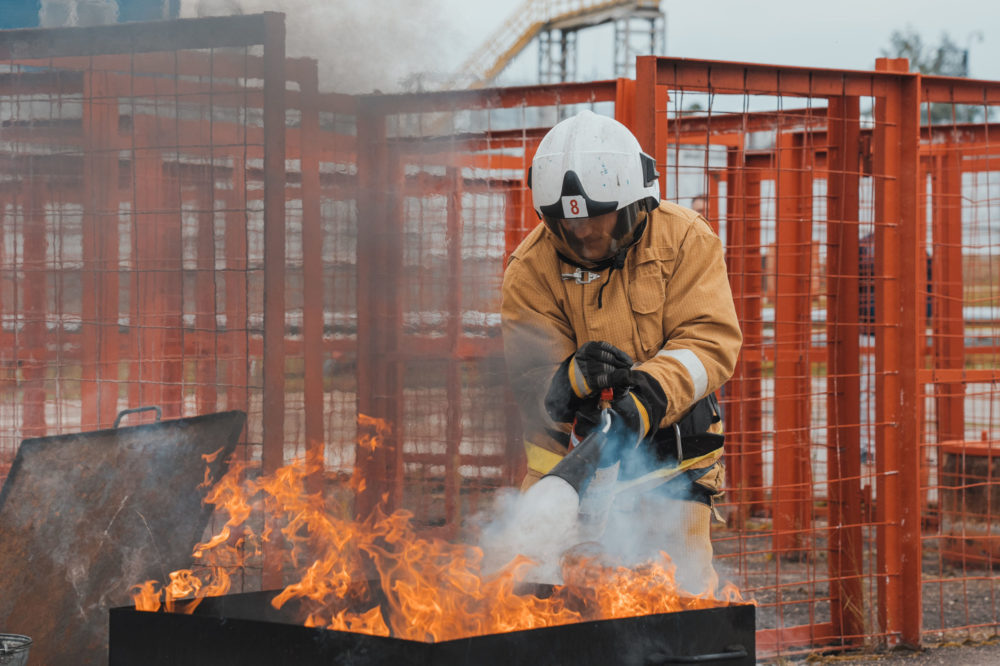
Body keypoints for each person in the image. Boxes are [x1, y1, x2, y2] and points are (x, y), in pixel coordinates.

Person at [501, 110, 742, 594]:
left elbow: (709, 340)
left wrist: (651, 395)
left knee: (682, 599)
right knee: (538, 600)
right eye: (569, 226)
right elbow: (530, 377)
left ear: (638, 201)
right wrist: (568, 380)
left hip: (672, 468)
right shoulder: (530, 268)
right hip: (566, 478)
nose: (585, 234)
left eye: (598, 220)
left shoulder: (685, 239)